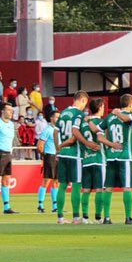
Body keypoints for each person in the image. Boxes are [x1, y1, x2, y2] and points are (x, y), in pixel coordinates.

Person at [75, 98, 120, 223]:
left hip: (86, 159)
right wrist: (112, 145)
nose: (104, 109)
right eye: (103, 107)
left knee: (86, 190)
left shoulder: (83, 123)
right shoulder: (101, 122)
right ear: (100, 107)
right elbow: (101, 137)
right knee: (100, 189)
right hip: (99, 159)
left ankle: (84, 217)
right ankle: (99, 217)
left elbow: (78, 137)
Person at [98, 95, 132, 224]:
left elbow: (98, 133)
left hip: (111, 156)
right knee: (127, 187)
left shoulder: (110, 117)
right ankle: (128, 217)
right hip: (125, 156)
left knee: (108, 188)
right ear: (131, 105)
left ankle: (107, 217)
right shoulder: (129, 117)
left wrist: (110, 144)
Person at [55, 91, 89, 224]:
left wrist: (58, 147)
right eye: (84, 103)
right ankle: (76, 217)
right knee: (76, 185)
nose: (84, 106)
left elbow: (55, 131)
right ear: (81, 100)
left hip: (63, 154)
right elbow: (76, 135)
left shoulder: (63, 113)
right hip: (75, 154)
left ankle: (60, 217)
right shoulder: (79, 115)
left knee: (62, 185)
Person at [36, 109, 60, 214]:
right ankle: (40, 205)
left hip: (58, 157)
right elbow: (40, 145)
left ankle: (55, 206)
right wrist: (44, 156)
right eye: (56, 117)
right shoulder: (47, 130)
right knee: (46, 181)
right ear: (51, 118)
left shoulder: (60, 130)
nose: (58, 119)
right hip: (50, 156)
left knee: (56, 182)